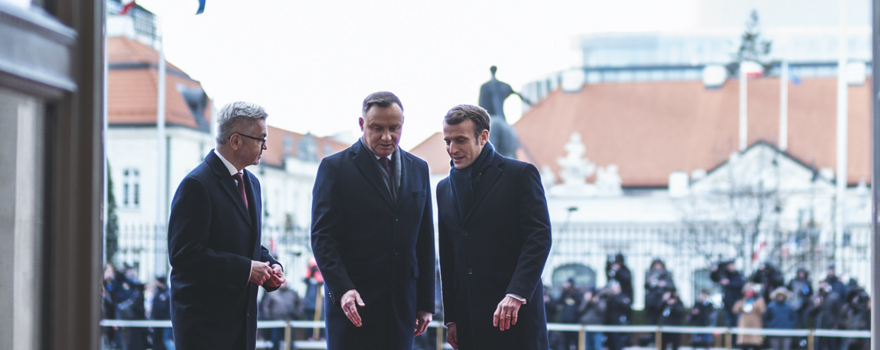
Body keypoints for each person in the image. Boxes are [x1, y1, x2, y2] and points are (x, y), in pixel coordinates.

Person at [311, 91, 435, 350]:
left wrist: (425, 303)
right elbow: (323, 238)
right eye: (377, 128)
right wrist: (343, 289)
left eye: (394, 128)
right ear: (361, 124)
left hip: (403, 307)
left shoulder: (419, 168)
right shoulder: (334, 168)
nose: (387, 136)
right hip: (353, 306)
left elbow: (425, 239)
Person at [167, 101, 285, 350]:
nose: (265, 146)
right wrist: (246, 270)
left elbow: (246, 241)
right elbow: (183, 255)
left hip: (241, 326)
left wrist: (270, 266)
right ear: (236, 141)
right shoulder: (197, 185)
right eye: (261, 138)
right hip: (205, 328)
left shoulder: (252, 183)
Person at [436, 104, 552, 350]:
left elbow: (539, 238)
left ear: (484, 136)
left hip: (513, 317)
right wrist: (452, 319)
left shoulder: (520, 174)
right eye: (447, 141)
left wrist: (516, 294)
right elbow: (448, 257)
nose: (452, 149)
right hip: (468, 320)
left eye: (460, 140)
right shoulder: (443, 188)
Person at [262, 281, 303, 350]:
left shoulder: (293, 293)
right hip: (275, 322)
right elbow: (266, 306)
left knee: (289, 340)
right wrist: (269, 317)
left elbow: (300, 304)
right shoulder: (273, 293)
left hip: (289, 321)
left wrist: (296, 314)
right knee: (275, 340)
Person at [710, 261, 745, 330]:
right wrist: (714, 271)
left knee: (736, 324)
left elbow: (741, 284)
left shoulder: (738, 275)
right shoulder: (725, 275)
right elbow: (715, 278)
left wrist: (729, 283)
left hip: (737, 304)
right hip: (727, 303)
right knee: (729, 326)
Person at [808, 281, 843, 350]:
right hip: (818, 325)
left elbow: (838, 313)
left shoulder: (834, 297)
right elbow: (810, 313)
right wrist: (816, 305)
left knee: (832, 345)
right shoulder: (814, 298)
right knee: (818, 345)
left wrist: (836, 325)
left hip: (830, 325)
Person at [733, 284, 766, 350]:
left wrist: (759, 299)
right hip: (744, 326)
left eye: (751, 290)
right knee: (744, 346)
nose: (749, 292)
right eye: (747, 290)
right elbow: (735, 310)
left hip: (755, 325)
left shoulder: (758, 301)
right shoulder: (742, 301)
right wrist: (743, 301)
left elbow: (762, 310)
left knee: (755, 345)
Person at [645, 258, 675, 326]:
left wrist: (664, 284)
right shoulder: (649, 274)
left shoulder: (667, 274)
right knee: (652, 321)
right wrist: (650, 282)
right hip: (652, 302)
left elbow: (672, 287)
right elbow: (646, 287)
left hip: (663, 301)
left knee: (663, 321)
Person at [603, 283, 632, 350]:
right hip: (609, 325)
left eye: (614, 288)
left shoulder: (623, 297)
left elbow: (626, 307)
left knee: (618, 345)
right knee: (610, 345)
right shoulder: (609, 297)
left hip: (619, 326)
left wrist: (614, 296)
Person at [150, 275, 173, 350]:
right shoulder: (157, 293)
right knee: (157, 340)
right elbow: (154, 308)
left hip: (166, 322)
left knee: (166, 340)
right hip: (157, 322)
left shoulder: (168, 294)